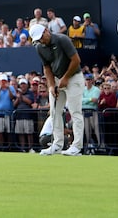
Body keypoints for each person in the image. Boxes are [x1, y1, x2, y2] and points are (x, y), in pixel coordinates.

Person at [30, 24, 84, 155]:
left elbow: (76, 60)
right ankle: (57, 144)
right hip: (57, 79)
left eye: (42, 37)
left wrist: (65, 78)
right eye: (38, 40)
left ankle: (76, 146)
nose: (41, 41)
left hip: (74, 77)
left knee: (75, 112)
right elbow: (47, 68)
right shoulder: (39, 47)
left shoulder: (62, 39)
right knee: (54, 112)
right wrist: (51, 85)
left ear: (47, 31)